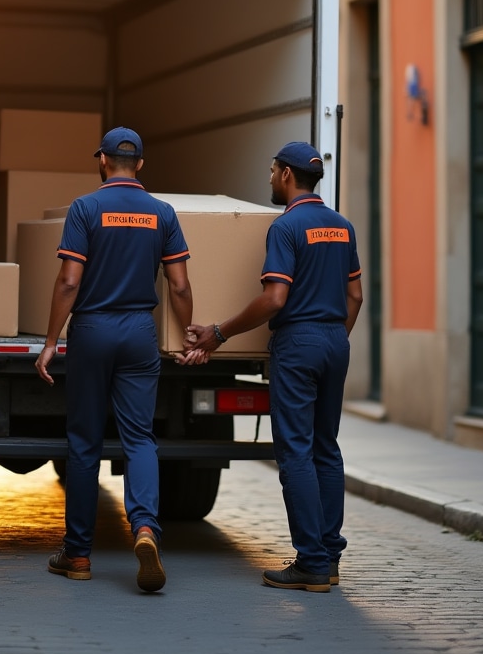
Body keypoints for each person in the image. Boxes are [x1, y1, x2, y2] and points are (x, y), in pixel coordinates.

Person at [182, 142, 362, 593]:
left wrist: (219, 332)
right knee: (326, 449)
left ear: (285, 175)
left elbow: (274, 298)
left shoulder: (286, 228)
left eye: (271, 171)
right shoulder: (342, 226)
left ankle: (312, 562)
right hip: (335, 340)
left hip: (299, 342)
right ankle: (330, 556)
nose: (269, 178)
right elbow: (355, 296)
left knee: (296, 452)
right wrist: (335, 336)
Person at [36, 127, 193, 593]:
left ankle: (79, 555)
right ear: (140, 164)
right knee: (140, 438)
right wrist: (187, 334)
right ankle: (145, 529)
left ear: (103, 160)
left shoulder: (85, 209)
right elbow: (179, 286)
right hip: (139, 332)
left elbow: (68, 281)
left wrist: (50, 340)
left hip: (92, 329)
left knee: (84, 443)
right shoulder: (162, 213)